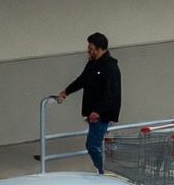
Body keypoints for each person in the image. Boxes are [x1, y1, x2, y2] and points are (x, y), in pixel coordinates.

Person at [49, 33, 122, 175]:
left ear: (100, 49)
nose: (89, 50)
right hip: (93, 112)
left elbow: (110, 94)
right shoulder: (92, 63)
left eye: (91, 48)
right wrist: (66, 91)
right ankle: (104, 170)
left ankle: (104, 172)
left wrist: (98, 111)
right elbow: (82, 80)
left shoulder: (110, 68)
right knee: (97, 144)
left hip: (102, 114)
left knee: (92, 144)